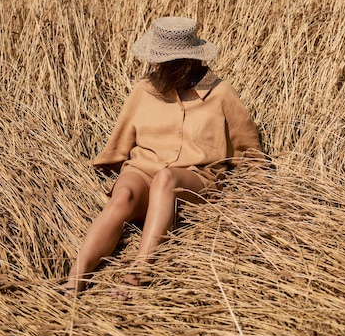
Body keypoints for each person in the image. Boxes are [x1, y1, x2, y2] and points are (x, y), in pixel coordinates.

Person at [64, 16, 263, 297]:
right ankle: (75, 279)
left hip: (193, 178)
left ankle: (139, 272)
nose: (154, 65)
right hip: (143, 170)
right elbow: (121, 141)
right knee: (123, 197)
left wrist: (251, 196)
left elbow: (249, 151)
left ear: (186, 61)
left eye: (162, 61)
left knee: (166, 179)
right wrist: (112, 171)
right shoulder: (145, 90)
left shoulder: (221, 94)